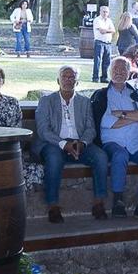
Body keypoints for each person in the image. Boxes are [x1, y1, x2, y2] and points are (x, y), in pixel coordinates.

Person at [33, 64, 111, 223]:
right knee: (54, 159)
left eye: (72, 77)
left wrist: (82, 143)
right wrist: (63, 144)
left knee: (101, 157)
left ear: (77, 82)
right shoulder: (46, 101)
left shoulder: (84, 102)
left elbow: (90, 128)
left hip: (79, 143)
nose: (68, 80)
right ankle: (53, 206)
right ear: (58, 80)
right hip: (53, 143)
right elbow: (43, 131)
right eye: (64, 77)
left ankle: (99, 203)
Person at [91, 57, 138, 218]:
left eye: (123, 69)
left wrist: (122, 115)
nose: (119, 73)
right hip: (112, 142)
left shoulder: (134, 93)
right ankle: (118, 201)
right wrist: (133, 117)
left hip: (136, 143)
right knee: (120, 155)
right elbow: (106, 122)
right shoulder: (102, 95)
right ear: (110, 72)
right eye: (115, 70)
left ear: (129, 72)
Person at [90, 3, 116, 82]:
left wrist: (106, 30)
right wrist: (109, 30)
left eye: (106, 12)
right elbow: (101, 31)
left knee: (107, 61)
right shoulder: (97, 20)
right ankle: (95, 77)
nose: (105, 13)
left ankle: (104, 77)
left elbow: (113, 31)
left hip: (108, 43)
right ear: (100, 12)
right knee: (97, 61)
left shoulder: (109, 20)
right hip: (99, 42)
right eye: (104, 11)